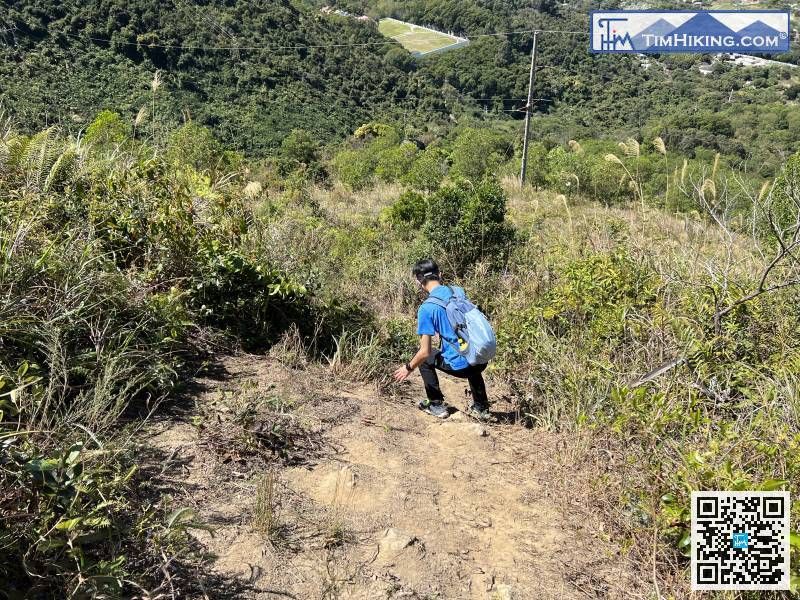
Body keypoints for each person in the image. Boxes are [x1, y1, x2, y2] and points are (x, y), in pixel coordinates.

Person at [392, 259, 491, 420]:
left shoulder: (426, 308)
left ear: (418, 281)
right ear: (440, 275)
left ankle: (436, 404)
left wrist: (408, 368)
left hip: (462, 367)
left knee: (424, 359)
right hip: (481, 358)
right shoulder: (458, 291)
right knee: (467, 349)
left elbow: (425, 352)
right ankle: (481, 407)